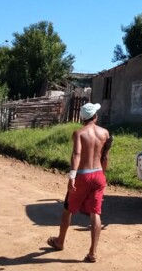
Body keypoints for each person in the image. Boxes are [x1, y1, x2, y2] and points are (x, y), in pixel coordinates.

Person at [47, 102, 112, 263]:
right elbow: (105, 157)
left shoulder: (79, 133)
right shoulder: (105, 133)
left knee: (68, 209)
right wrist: (102, 175)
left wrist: (72, 176)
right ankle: (93, 252)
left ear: (82, 118)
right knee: (95, 213)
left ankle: (60, 241)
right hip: (98, 174)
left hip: (83, 175)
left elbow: (76, 155)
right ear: (95, 116)